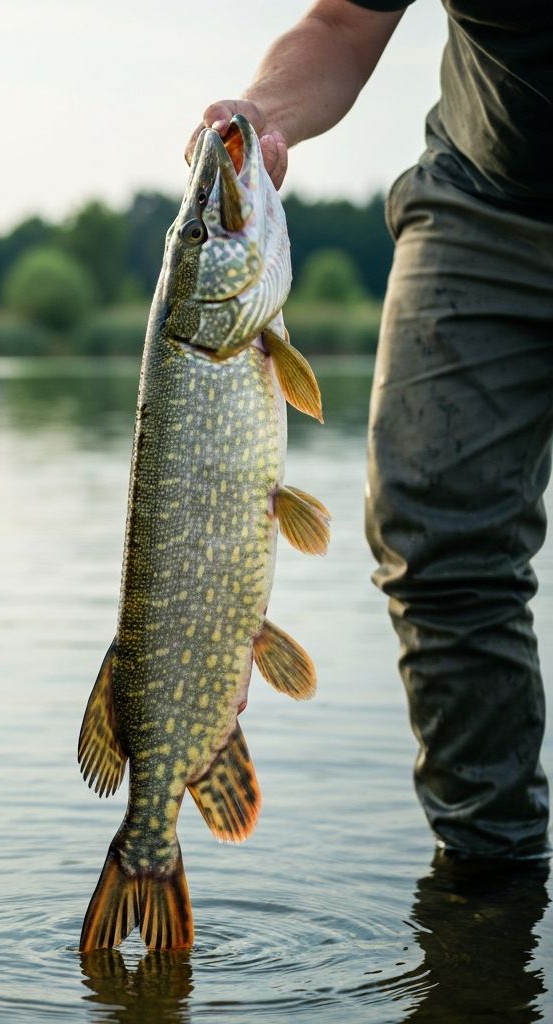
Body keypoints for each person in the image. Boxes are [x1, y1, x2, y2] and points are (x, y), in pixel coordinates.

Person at [187, 0, 552, 860]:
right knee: (435, 538)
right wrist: (263, 111)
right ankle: (489, 882)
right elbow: (345, 24)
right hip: (484, 202)